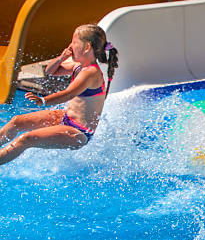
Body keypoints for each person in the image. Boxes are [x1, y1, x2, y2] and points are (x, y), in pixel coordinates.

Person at [0, 24, 118, 165]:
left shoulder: (91, 73)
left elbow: (68, 94)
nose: (70, 46)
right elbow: (50, 71)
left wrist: (43, 101)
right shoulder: (78, 65)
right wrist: (62, 58)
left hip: (78, 132)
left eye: (74, 42)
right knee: (16, 121)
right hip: (66, 118)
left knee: (26, 139)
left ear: (86, 47)